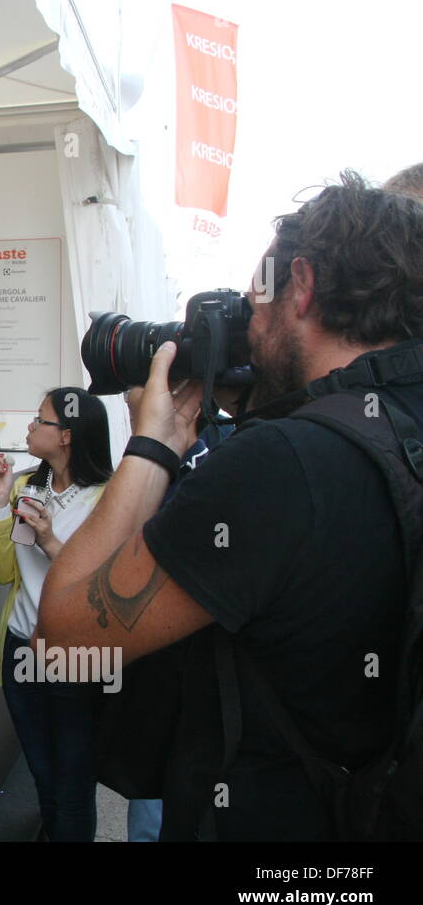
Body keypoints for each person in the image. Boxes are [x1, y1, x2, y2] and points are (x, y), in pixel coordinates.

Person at [38, 171, 423, 840]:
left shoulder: (283, 462)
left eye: (257, 304)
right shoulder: (392, 422)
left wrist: (154, 443)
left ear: (300, 285)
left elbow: (67, 639)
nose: (252, 326)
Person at [0, 387, 112, 841]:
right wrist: (1, 503)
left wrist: (52, 542)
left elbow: (107, 590)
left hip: (78, 655)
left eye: (41, 420)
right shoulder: (27, 488)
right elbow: (4, 572)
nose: (30, 426)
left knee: (75, 780)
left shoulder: (108, 498)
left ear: (67, 436)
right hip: (21, 647)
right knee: (42, 772)